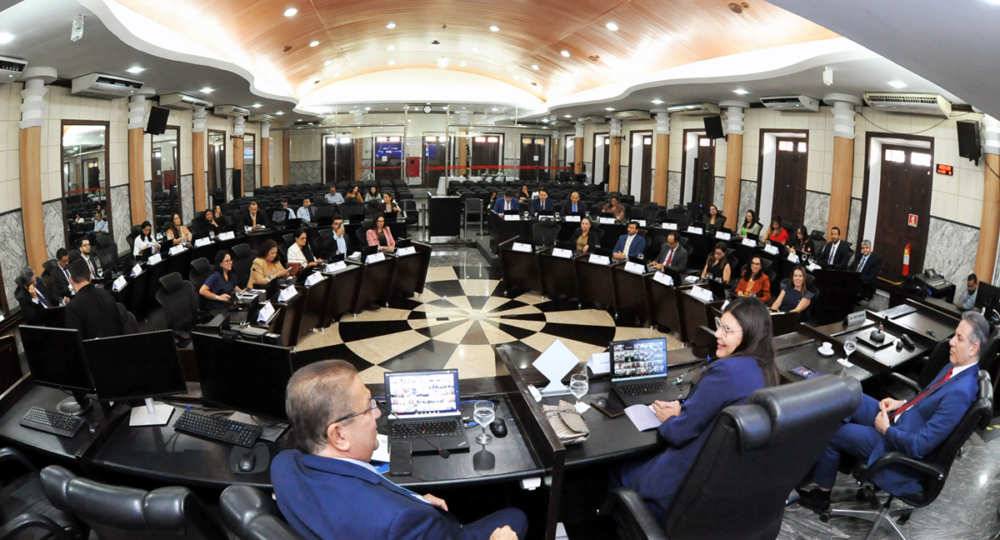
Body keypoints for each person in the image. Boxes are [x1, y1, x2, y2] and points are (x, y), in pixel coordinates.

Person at [272, 360, 528, 540]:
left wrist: (415, 500)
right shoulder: (400, 521)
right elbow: (390, 518)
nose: (377, 414)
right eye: (368, 407)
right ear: (339, 435)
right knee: (516, 516)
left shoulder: (283, 465)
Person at [797, 311, 988, 514]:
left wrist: (886, 430)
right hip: (899, 419)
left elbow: (919, 447)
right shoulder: (954, 367)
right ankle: (835, 454)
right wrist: (902, 403)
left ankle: (821, 497)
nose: (951, 342)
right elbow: (927, 398)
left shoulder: (960, 393)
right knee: (849, 396)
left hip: (895, 446)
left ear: (973, 348)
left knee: (833, 434)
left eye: (959, 338)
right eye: (954, 335)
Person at [610, 297, 777, 522]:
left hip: (680, 490)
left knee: (616, 471)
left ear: (749, 334)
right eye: (719, 325)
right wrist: (686, 411)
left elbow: (678, 434)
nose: (717, 334)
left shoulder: (726, 370)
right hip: (720, 493)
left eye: (727, 330)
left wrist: (671, 418)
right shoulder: (766, 369)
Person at [64, 258, 123, 340]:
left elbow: (75, 342)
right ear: (90, 277)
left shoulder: (73, 307)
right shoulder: (106, 294)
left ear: (71, 280)